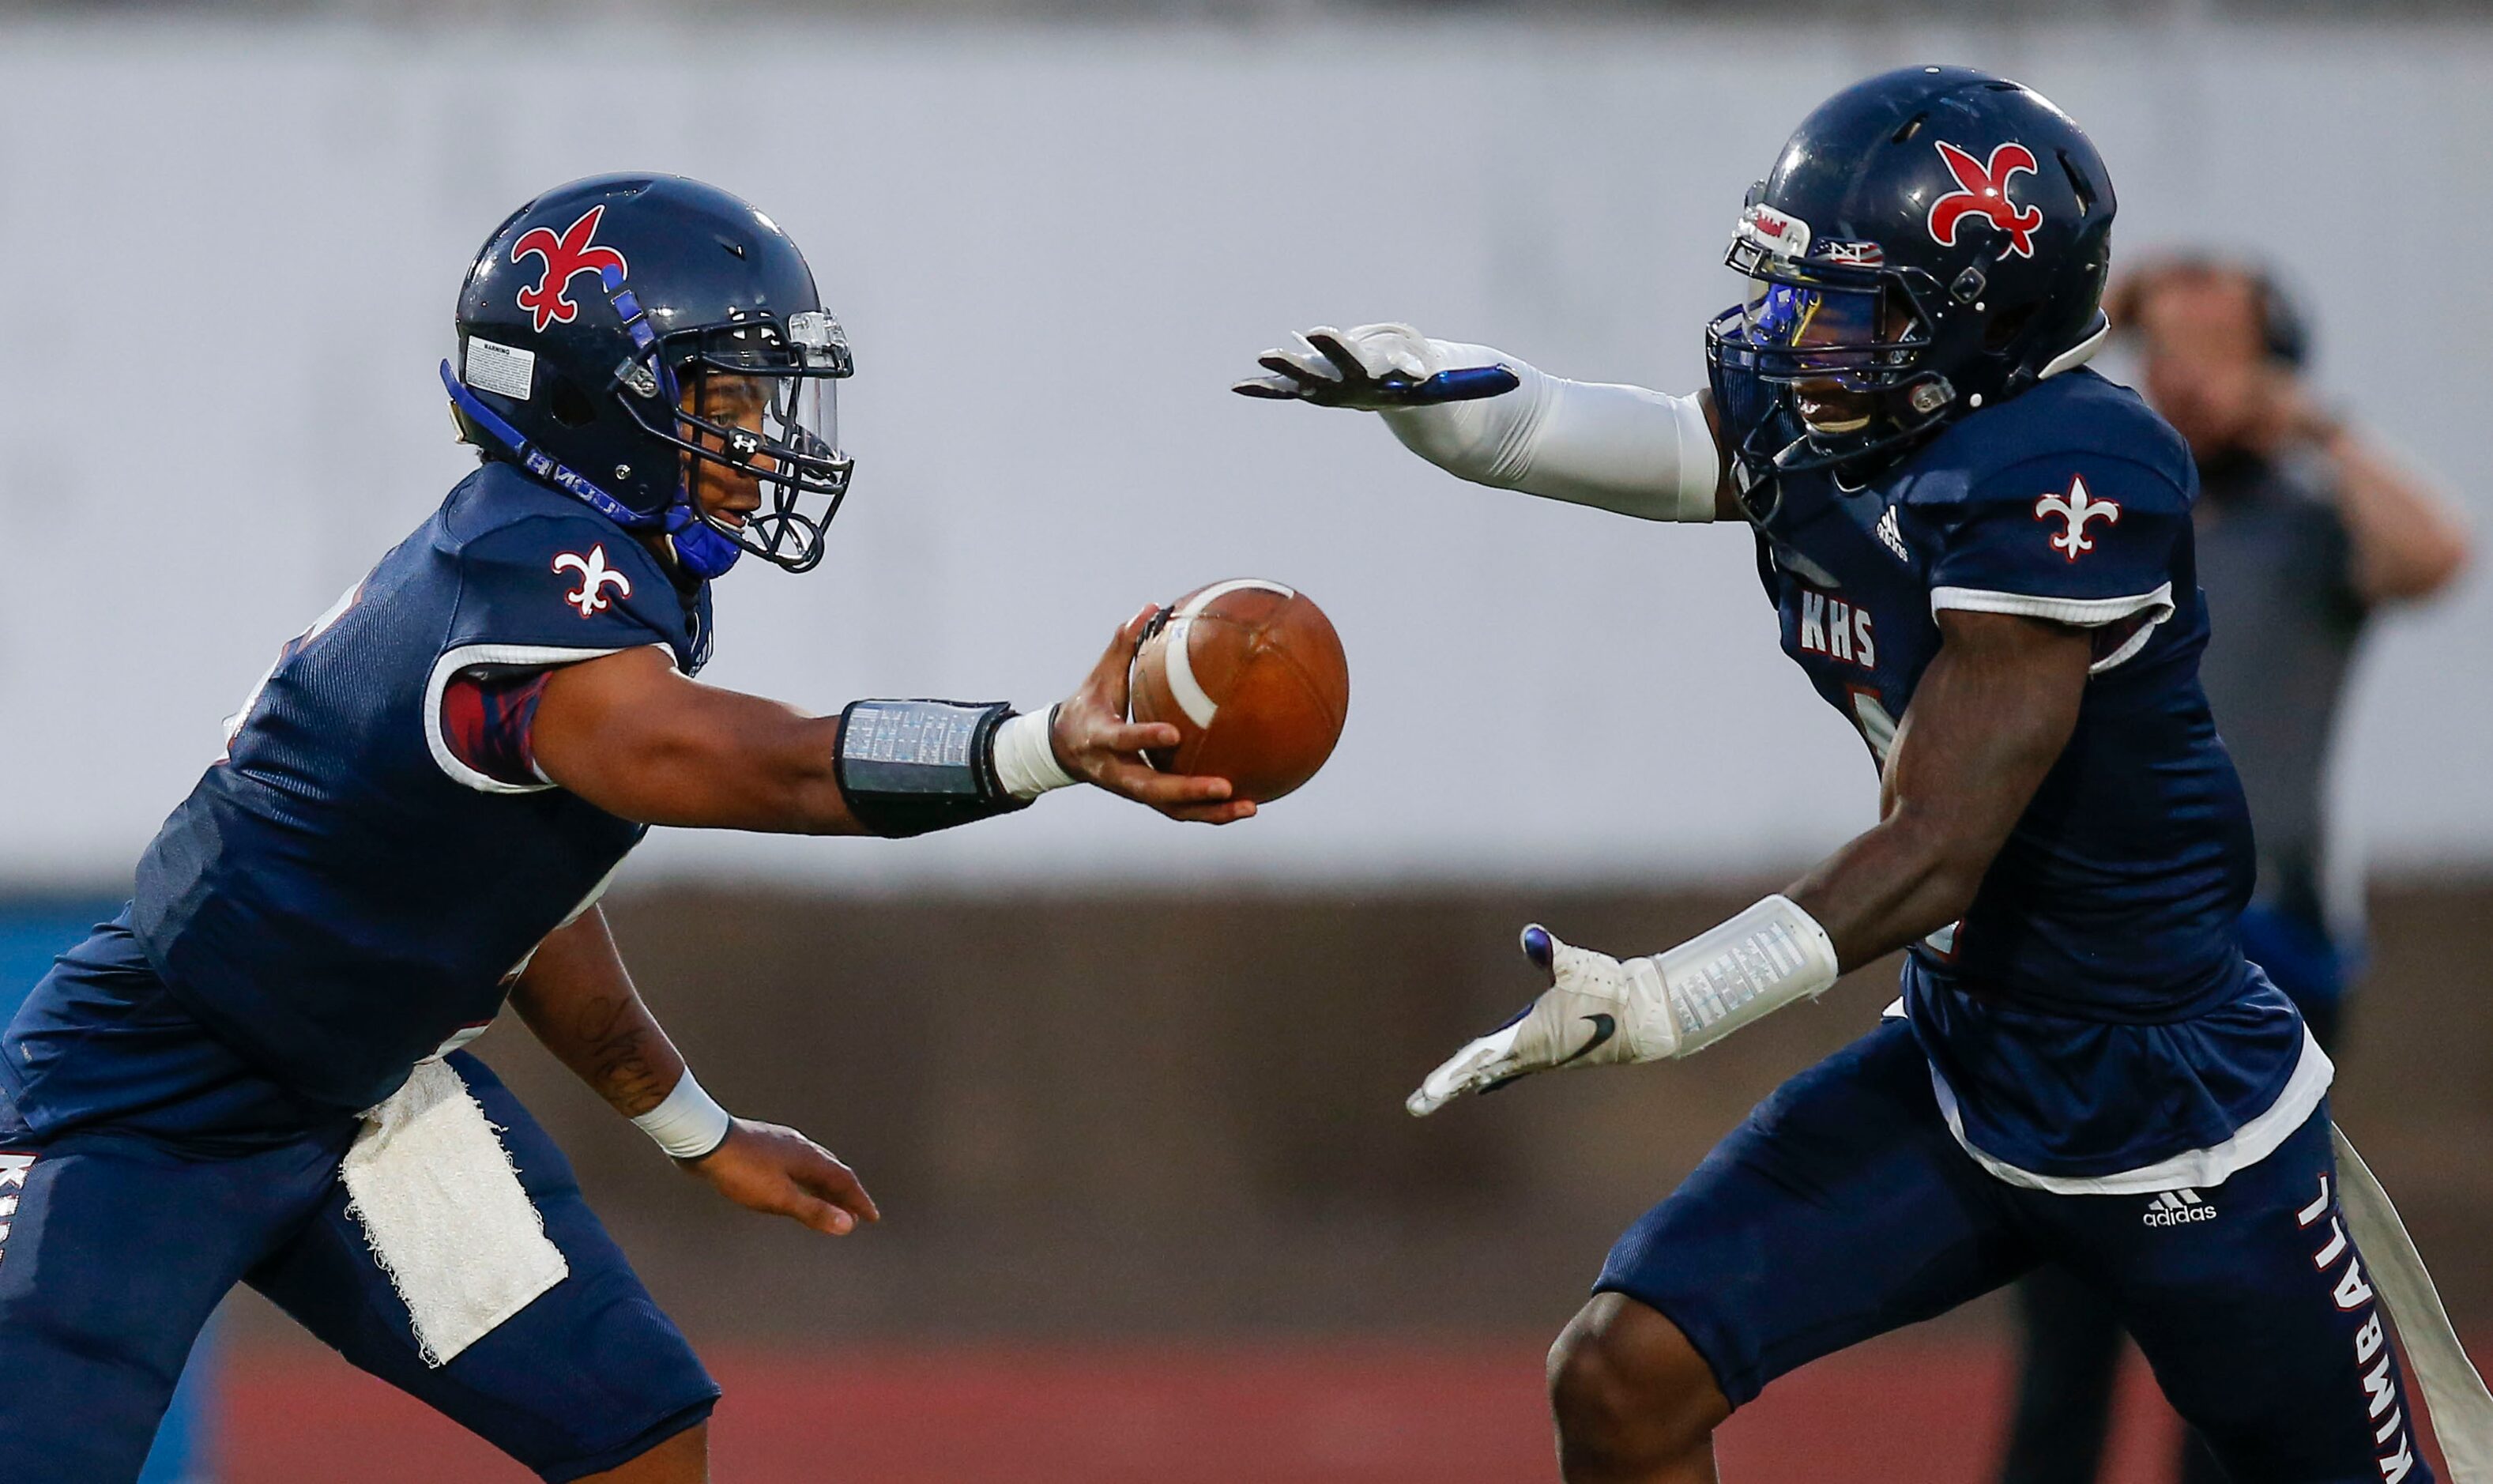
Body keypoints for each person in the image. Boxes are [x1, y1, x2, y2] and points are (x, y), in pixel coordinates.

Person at [1241, 66, 2481, 1483]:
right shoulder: (1854, 429)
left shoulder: (2069, 469)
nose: (1792, 335)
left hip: (2168, 1099)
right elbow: (1688, 445)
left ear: (1981, 326)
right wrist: (1488, 420)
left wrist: (1662, 999)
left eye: (1843, 305)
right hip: (1964, 1058)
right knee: (1623, 1372)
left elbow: (1938, 846)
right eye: (1789, 291)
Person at [0, 174, 1247, 1484]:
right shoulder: (520, 587)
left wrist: (698, 1129)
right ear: (602, 399)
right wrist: (1038, 744)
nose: (762, 438)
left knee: (639, 1435)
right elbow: (768, 773)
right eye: (725, 400)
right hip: (139, 1096)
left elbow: (528, 900)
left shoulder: (578, 561)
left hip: (369, 1100)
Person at [1994, 257, 2472, 1484]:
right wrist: (2081, 336)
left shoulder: (2311, 526)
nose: (2187, 374)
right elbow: (1982, 432)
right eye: (2169, 346)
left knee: (2239, 1288)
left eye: (2222, 348)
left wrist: (2311, 422)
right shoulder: (2099, 519)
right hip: (2086, 957)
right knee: (2069, 1293)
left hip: (2264, 954)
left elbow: (2439, 551)